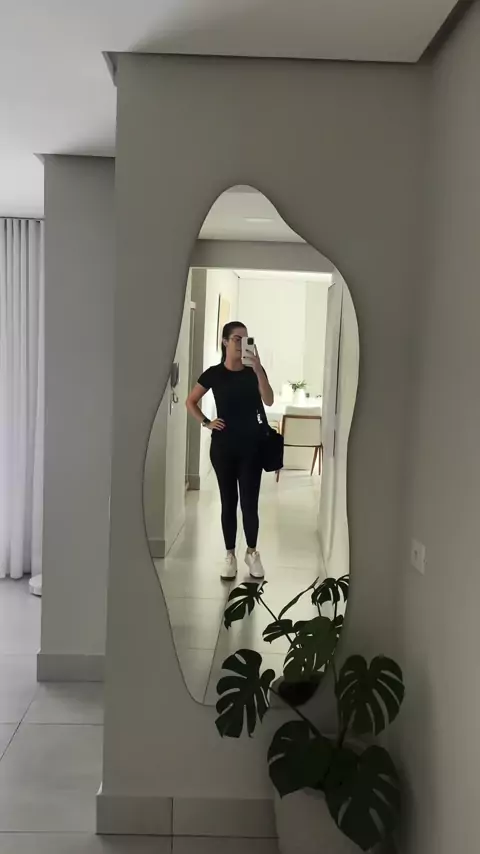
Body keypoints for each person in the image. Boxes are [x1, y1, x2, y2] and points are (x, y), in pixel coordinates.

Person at [186, 321, 274, 581]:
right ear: (224, 342)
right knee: (228, 502)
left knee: (249, 503)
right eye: (236, 338)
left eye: (246, 339)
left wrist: (258, 370)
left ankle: (252, 553)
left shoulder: (253, 371)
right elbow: (191, 401)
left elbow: (269, 400)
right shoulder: (214, 374)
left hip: (252, 447)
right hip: (223, 447)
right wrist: (206, 422)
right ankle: (230, 556)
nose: (241, 343)